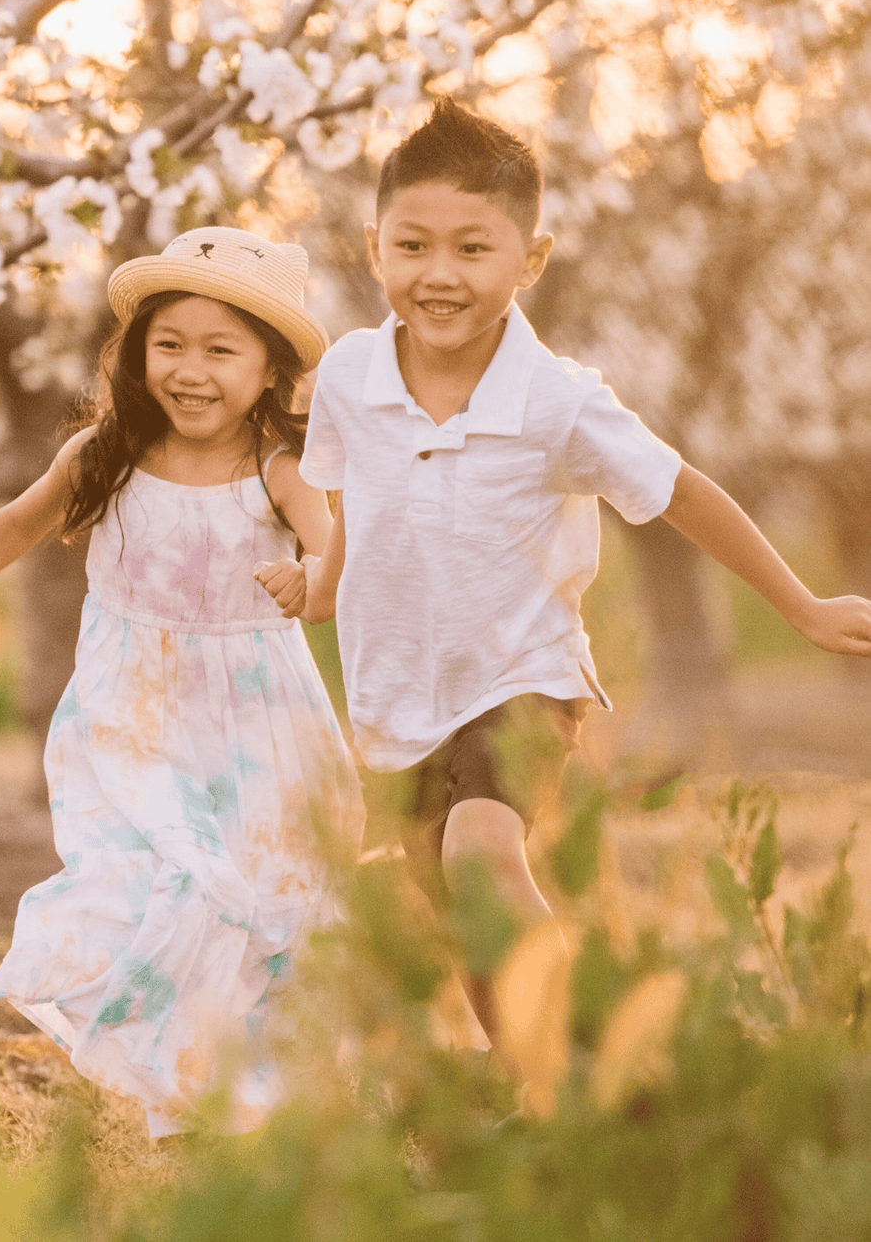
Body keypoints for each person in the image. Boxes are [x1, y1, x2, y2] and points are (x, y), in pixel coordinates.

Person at [258, 98, 871, 1062]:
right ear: (374, 245)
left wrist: (799, 603)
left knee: (479, 853)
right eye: (412, 245)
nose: (439, 274)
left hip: (524, 681)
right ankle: (542, 1088)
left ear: (529, 259)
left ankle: (600, 1065)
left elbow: (680, 492)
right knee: (466, 911)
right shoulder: (346, 374)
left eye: (472, 248)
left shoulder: (559, 401)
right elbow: (347, 508)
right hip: (396, 691)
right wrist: (321, 581)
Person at [0, 227, 363, 1138]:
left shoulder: (277, 464)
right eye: (169, 344)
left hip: (258, 721)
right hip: (136, 710)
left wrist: (312, 579)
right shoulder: (106, 452)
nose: (191, 369)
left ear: (268, 370)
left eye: (222, 350)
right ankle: (168, 1076)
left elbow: (332, 555)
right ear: (136, 355)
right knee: (157, 880)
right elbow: (15, 526)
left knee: (261, 904)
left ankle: (251, 1100)